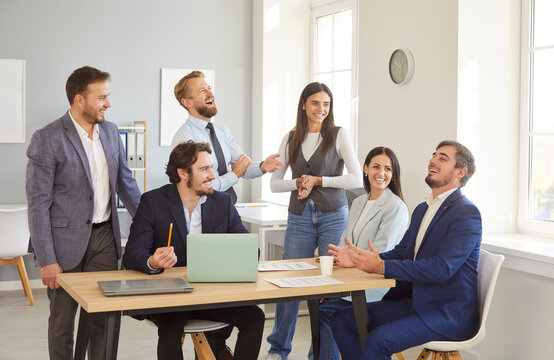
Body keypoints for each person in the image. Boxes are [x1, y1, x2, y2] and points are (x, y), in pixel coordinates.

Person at [26, 66, 141, 360]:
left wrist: (147, 224)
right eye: (102, 97)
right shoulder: (48, 138)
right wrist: (47, 259)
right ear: (79, 99)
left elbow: (126, 185)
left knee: (103, 317)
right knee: (63, 323)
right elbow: (38, 204)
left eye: (108, 96)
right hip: (63, 245)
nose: (108, 104)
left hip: (105, 238)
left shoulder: (112, 132)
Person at [329, 140, 481, 360]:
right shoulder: (423, 209)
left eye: (442, 158)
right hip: (416, 302)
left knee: (378, 339)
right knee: (343, 320)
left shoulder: (466, 213)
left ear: (460, 171)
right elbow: (402, 253)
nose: (432, 160)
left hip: (446, 312)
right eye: (434, 155)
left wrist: (381, 266)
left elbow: (442, 269)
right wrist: (358, 259)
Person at [123, 140, 265, 360]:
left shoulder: (222, 202)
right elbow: (132, 254)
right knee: (171, 325)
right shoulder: (153, 202)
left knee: (254, 316)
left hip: (209, 296)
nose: (212, 175)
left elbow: (249, 250)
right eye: (204, 169)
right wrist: (153, 261)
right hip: (169, 297)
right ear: (183, 173)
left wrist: (234, 257)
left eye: (212, 168)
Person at [265, 82, 362, 360]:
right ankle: (278, 350)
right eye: (316, 103)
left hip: (334, 213)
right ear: (304, 105)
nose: (322, 109)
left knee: (328, 284)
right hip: (299, 216)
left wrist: (319, 180)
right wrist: (299, 182)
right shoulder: (291, 137)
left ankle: (321, 354)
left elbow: (356, 179)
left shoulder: (339, 135)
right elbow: (274, 184)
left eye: (327, 104)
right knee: (289, 283)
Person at [310, 146, 409, 360]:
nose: (381, 174)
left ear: (393, 175)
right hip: (352, 283)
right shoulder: (358, 202)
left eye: (387, 169)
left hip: (376, 288)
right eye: (375, 167)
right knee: (319, 306)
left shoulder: (395, 207)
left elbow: (381, 255)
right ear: (365, 168)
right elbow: (343, 245)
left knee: (329, 313)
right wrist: (328, 282)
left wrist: (349, 259)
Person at [171, 70, 283, 203]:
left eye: (209, 89)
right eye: (202, 91)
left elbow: (243, 167)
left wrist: (263, 166)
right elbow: (197, 185)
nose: (210, 94)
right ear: (187, 102)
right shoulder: (185, 137)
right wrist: (234, 174)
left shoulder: (222, 131)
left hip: (227, 207)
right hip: (202, 209)